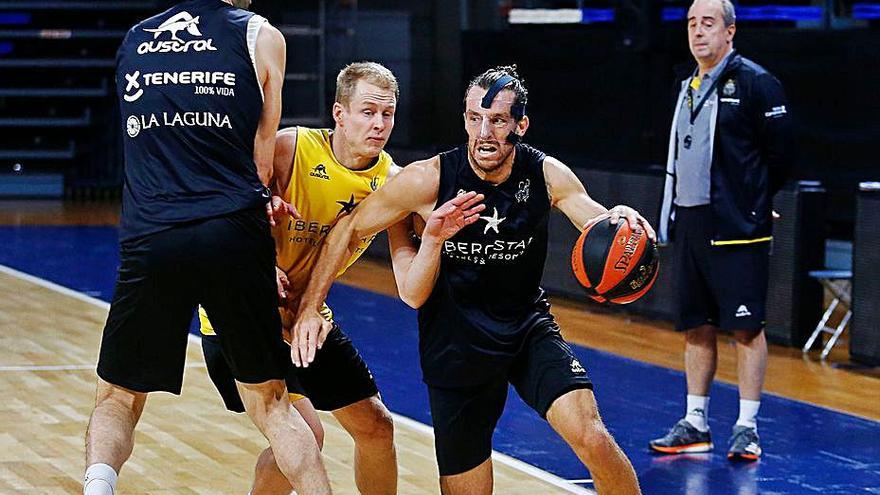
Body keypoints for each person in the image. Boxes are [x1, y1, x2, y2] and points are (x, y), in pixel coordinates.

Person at [292, 65, 647, 495]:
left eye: (497, 120)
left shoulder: (546, 175)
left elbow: (596, 219)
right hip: (455, 346)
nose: (484, 132)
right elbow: (348, 228)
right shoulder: (430, 179)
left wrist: (622, 219)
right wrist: (310, 306)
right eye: (474, 117)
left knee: (591, 436)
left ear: (521, 124)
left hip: (526, 331)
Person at [83, 1, 332, 494]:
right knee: (272, 403)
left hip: (153, 232)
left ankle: (97, 487)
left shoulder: (136, 37)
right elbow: (263, 160)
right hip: (233, 232)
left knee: (119, 396)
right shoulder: (262, 36)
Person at [199, 61, 420, 495]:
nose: (379, 124)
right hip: (240, 315)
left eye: (387, 114)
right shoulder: (290, 149)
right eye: (368, 112)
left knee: (377, 428)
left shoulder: (394, 183)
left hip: (307, 317)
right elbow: (221, 212)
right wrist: (258, 263)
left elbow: (405, 262)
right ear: (339, 113)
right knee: (306, 435)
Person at [650, 0, 793, 461]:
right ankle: (696, 421)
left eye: (708, 23)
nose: (697, 32)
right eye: (692, 23)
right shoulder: (684, 83)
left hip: (737, 226)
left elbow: (782, 155)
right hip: (690, 220)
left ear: (730, 31)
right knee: (696, 325)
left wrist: (756, 201)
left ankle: (747, 427)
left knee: (747, 328)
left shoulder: (756, 83)